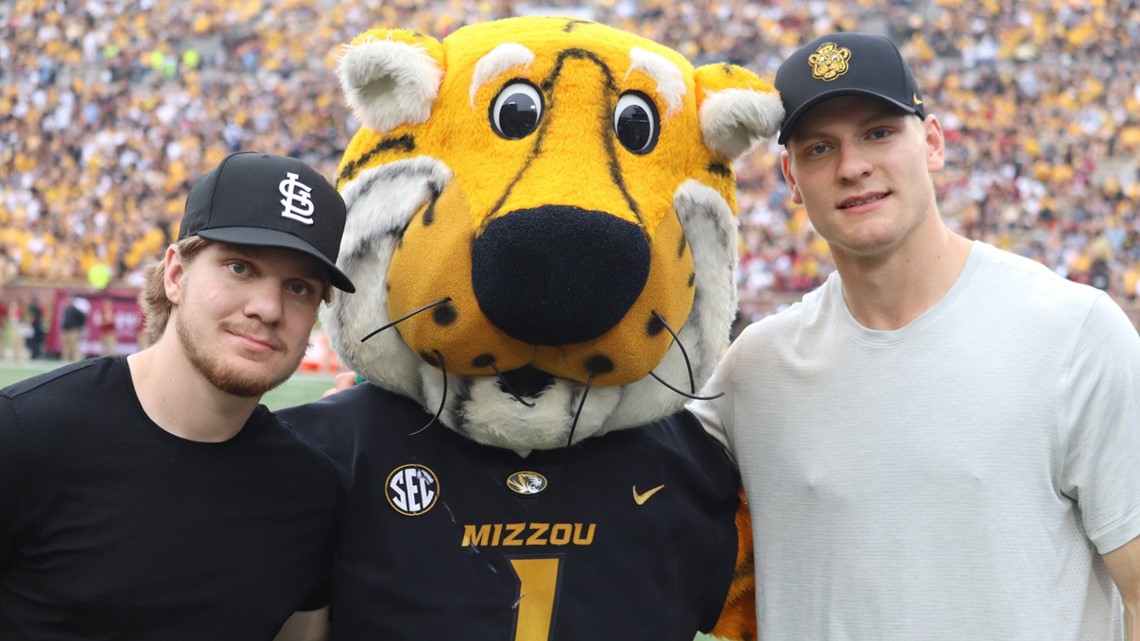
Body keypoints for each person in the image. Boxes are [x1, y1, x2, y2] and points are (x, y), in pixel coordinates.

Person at [690, 32, 1140, 640]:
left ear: (931, 143)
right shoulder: (754, 372)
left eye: (878, 132)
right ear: (793, 180)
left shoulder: (1074, 334)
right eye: (820, 148)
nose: (853, 167)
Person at [0, 151, 356, 641]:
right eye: (239, 267)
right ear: (175, 275)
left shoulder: (311, 491)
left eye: (298, 287)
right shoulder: (24, 434)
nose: (268, 308)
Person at [59, 295, 88, 362]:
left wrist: (79, 327)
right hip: (66, 330)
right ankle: (64, 360)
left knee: (74, 345)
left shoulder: (76, 310)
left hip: (74, 330)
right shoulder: (66, 309)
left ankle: (76, 360)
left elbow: (83, 319)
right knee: (65, 346)